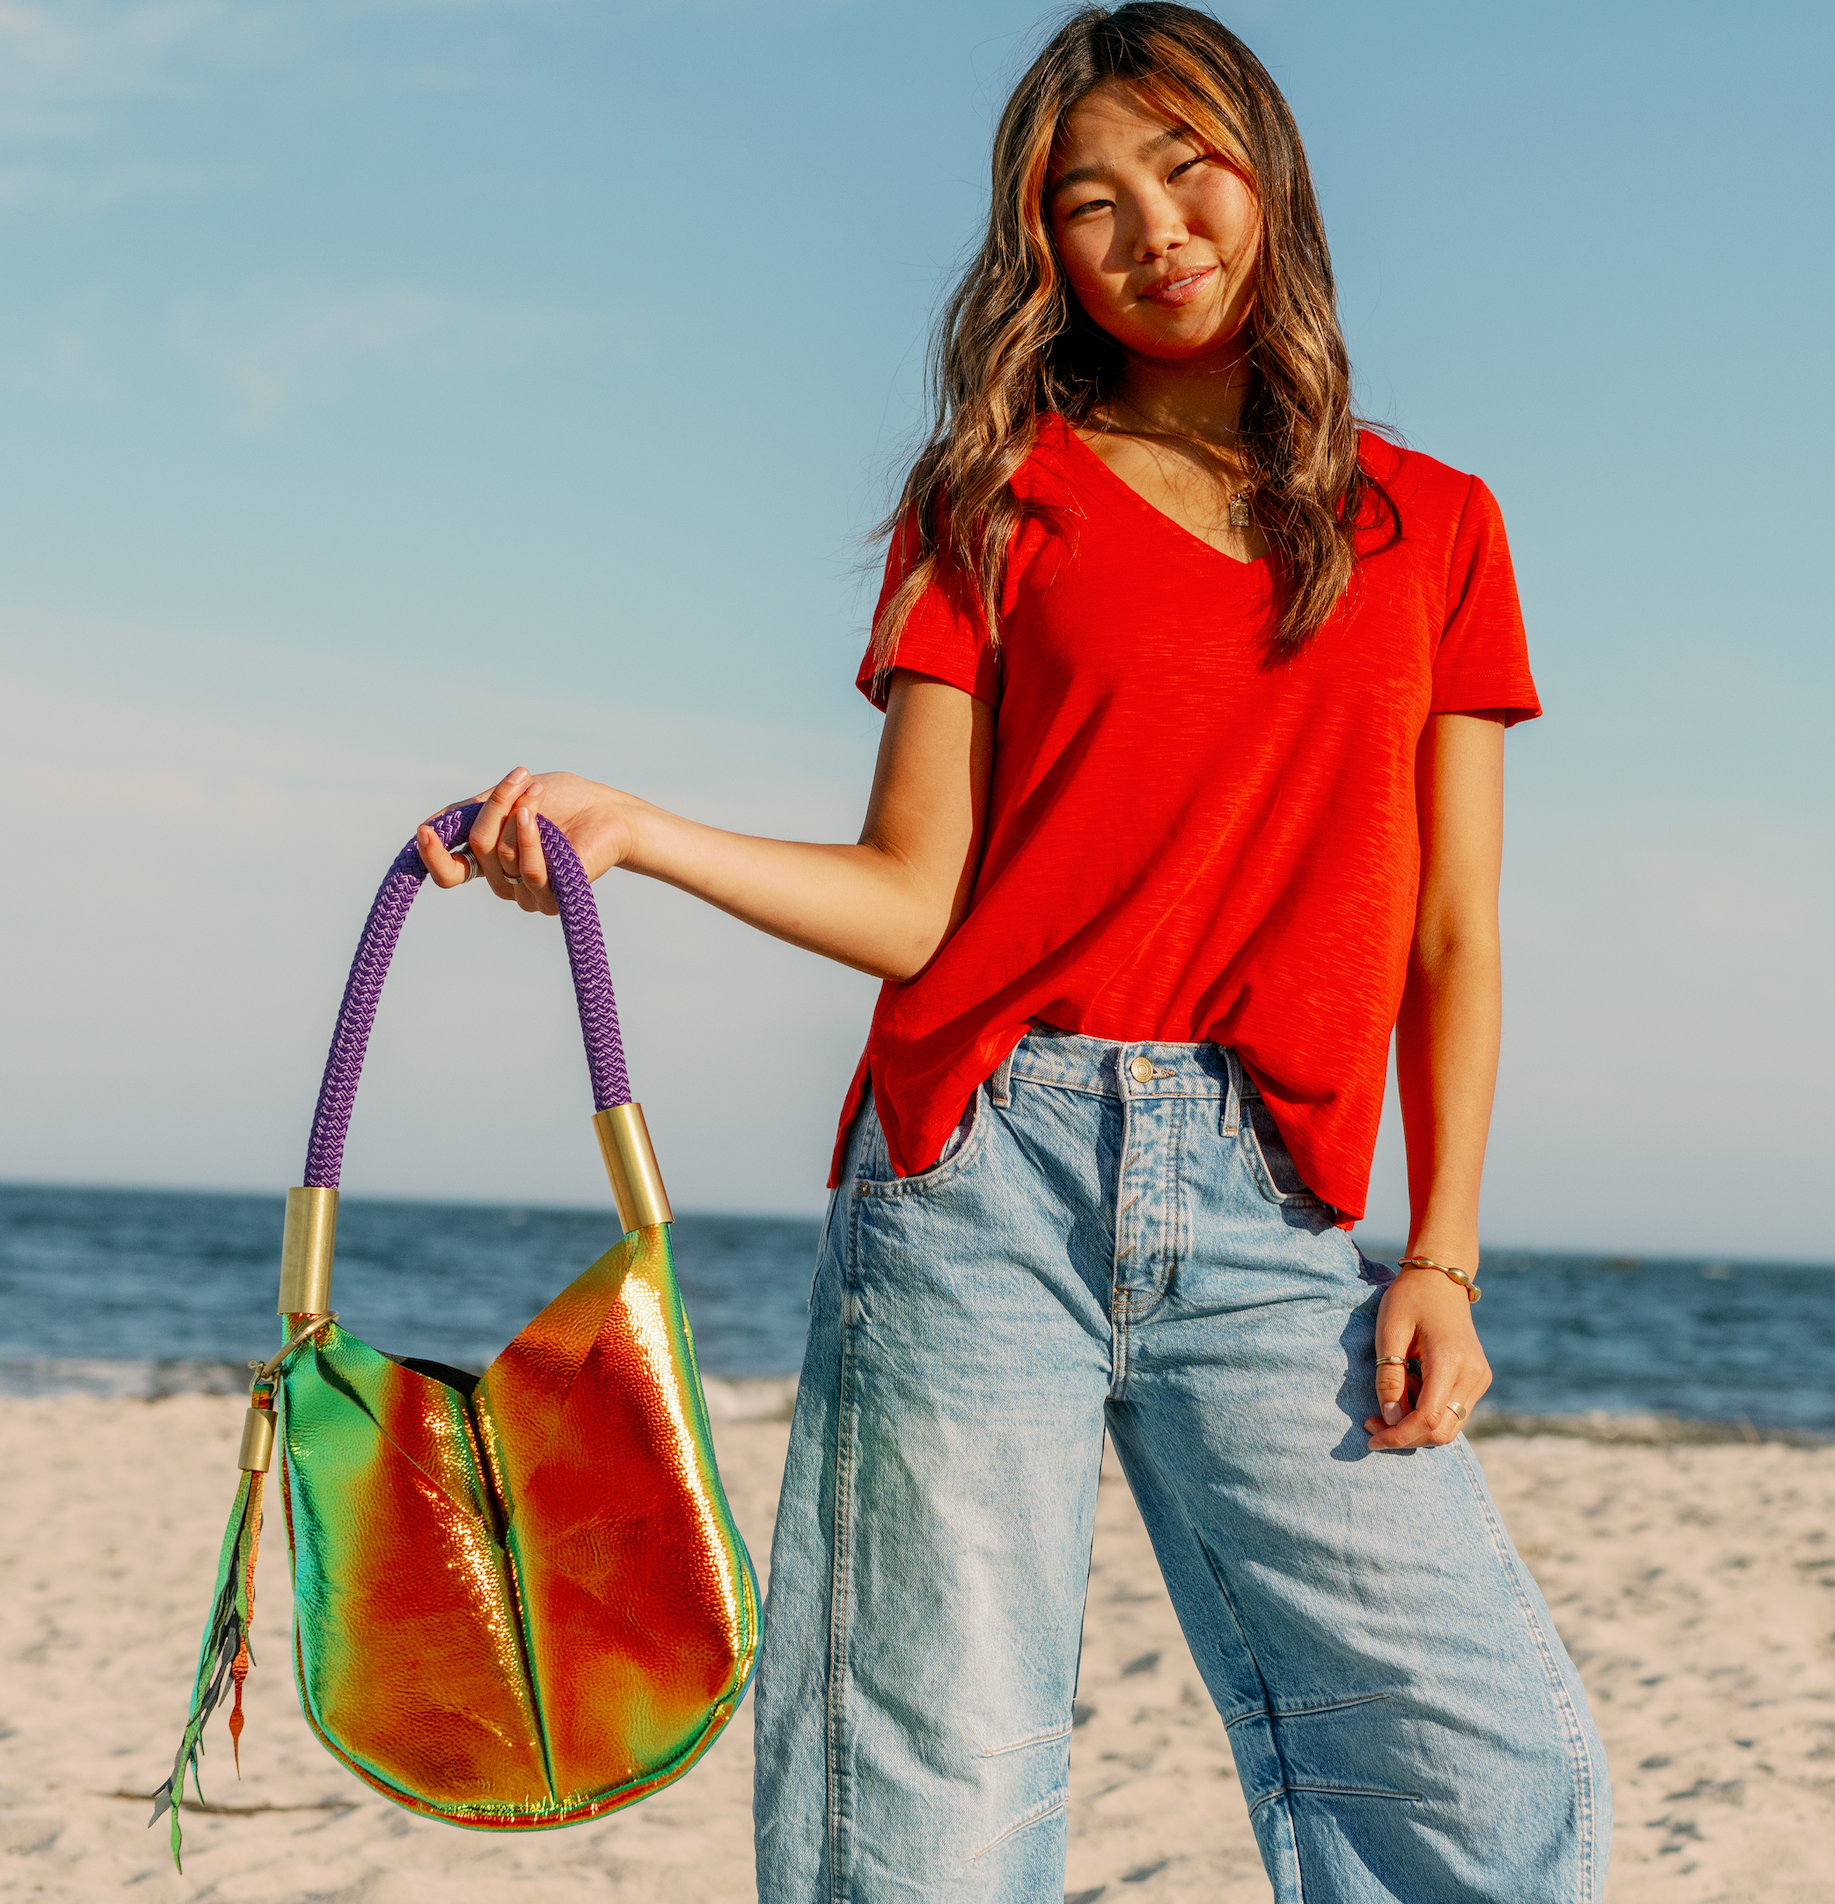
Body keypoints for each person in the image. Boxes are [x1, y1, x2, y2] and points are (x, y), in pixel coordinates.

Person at [419, 5, 1609, 1896]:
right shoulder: (990, 503)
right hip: (977, 1174)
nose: (1156, 229)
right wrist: (640, 837)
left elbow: (1453, 932)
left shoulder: (1435, 527)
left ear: (1272, 170)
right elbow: (913, 897)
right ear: (1040, 247)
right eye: (1091, 202)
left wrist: (1443, 1256)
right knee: (928, 1809)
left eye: (1189, 166)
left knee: (1484, 1774)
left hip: (1273, 1207)